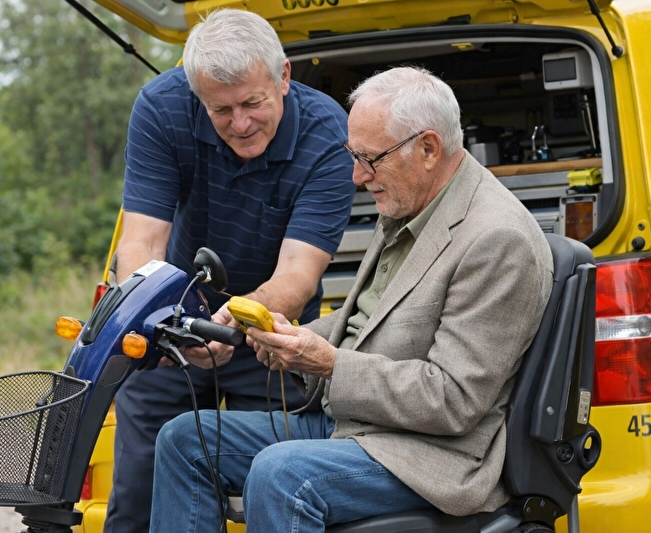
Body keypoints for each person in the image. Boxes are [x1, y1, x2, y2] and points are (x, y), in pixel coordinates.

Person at [149, 66, 554, 532]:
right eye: (353, 155)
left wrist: (329, 364)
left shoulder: (497, 239)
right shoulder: (413, 197)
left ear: (427, 149)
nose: (358, 176)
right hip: (354, 424)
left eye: (369, 158)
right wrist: (288, 337)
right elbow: (373, 318)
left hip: (428, 454)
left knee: (281, 474)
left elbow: (453, 400)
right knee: (184, 439)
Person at [105, 9, 356, 533]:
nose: (240, 124)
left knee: (274, 491)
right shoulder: (162, 106)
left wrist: (231, 323)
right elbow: (141, 243)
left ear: (283, 77)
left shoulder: (328, 132)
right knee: (139, 500)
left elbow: (297, 275)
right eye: (221, 109)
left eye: (252, 103)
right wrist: (162, 324)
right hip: (172, 328)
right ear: (196, 94)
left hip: (269, 336)